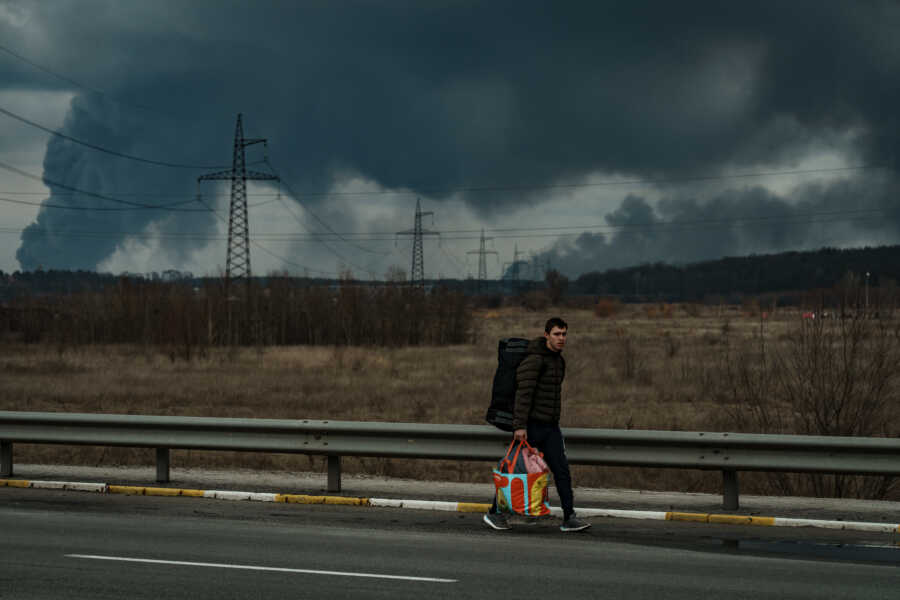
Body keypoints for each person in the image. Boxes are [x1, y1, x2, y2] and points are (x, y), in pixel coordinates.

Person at [483, 317, 591, 532]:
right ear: (546, 335)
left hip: (550, 427)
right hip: (530, 427)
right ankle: (494, 513)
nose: (561, 338)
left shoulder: (559, 361)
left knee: (562, 471)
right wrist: (519, 426)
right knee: (516, 472)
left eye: (564, 334)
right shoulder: (534, 360)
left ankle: (569, 517)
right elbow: (524, 394)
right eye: (557, 334)